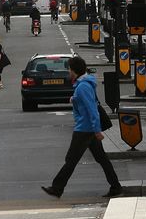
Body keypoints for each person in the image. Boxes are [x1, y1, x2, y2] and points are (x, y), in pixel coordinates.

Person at [42, 56, 122, 199]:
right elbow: (88, 103)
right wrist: (75, 99)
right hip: (88, 128)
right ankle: (116, 186)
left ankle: (57, 188)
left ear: (74, 71)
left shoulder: (83, 86)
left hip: (84, 129)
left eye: (69, 69)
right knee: (102, 158)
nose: (68, 72)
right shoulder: (84, 84)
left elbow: (92, 110)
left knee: (71, 159)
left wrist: (97, 130)